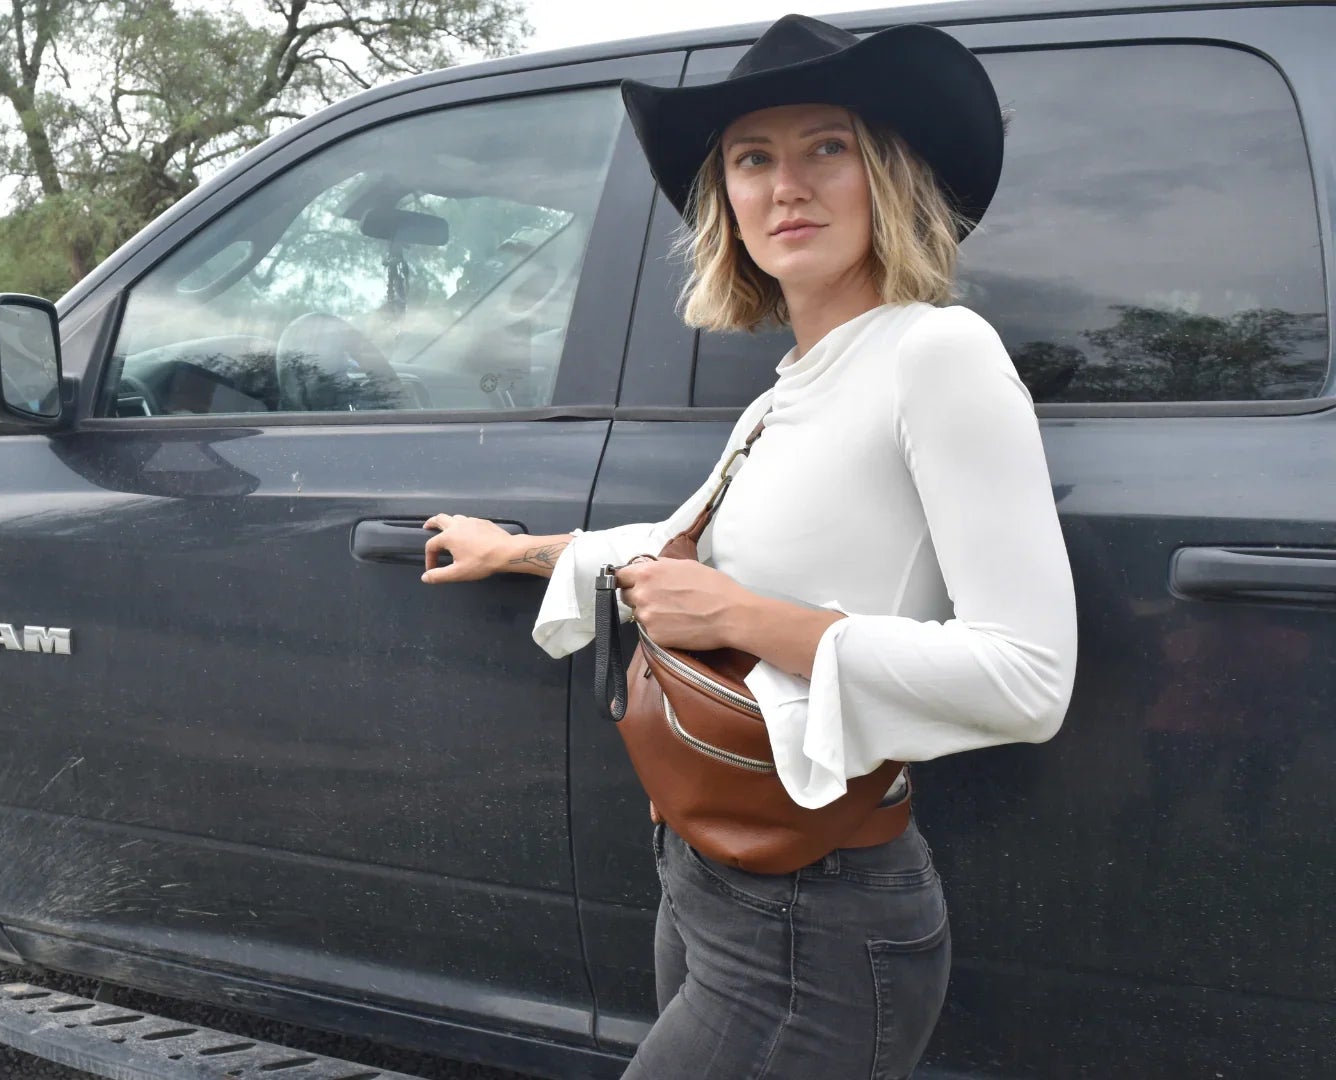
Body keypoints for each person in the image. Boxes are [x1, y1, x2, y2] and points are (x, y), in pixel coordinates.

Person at [419, 14, 1077, 1078]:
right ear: (726, 198)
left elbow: (1029, 679)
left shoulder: (937, 354)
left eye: (828, 147)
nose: (787, 187)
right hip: (711, 877)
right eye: (752, 159)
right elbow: (683, 547)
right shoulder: (792, 388)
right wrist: (518, 550)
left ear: (890, 174)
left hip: (816, 919)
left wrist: (743, 620)